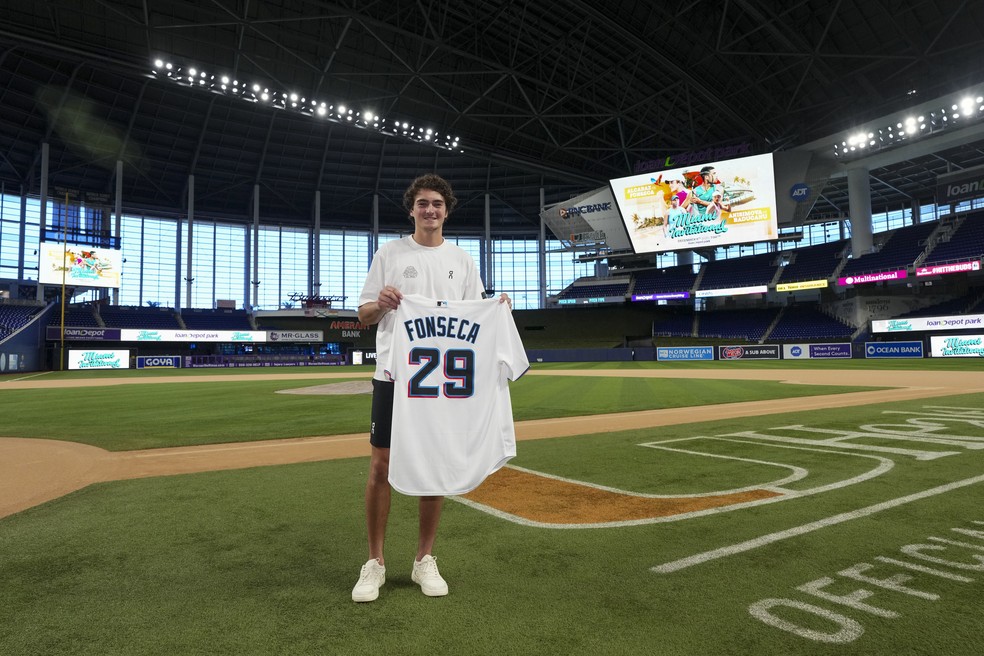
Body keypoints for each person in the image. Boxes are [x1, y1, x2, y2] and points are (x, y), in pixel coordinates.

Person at [351, 173, 510, 603]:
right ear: (412, 209)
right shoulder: (390, 253)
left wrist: (498, 308)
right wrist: (379, 304)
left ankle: (424, 559)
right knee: (380, 465)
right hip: (393, 375)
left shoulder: (463, 259)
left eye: (437, 203)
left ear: (447, 209)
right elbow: (363, 315)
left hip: (442, 381)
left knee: (434, 467)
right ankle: (375, 563)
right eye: (422, 203)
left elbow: (475, 317)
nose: (430, 210)